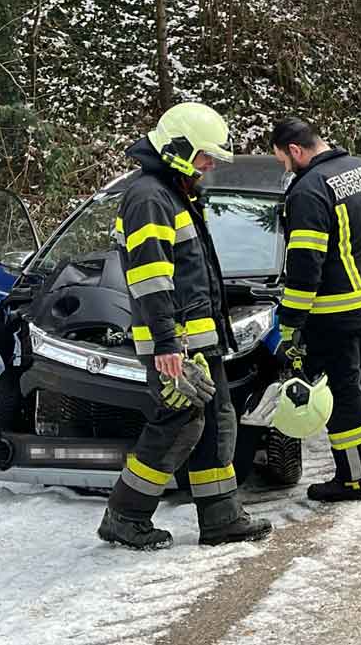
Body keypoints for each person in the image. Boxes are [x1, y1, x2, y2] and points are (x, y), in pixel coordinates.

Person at [98, 102, 272, 550]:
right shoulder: (149, 198)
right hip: (173, 343)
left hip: (195, 340)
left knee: (215, 423)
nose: (210, 165)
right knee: (178, 424)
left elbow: (190, 272)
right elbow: (151, 279)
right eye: (204, 156)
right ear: (177, 149)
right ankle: (124, 516)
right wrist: (166, 343)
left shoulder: (172, 192)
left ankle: (221, 518)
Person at [272, 117, 361, 501]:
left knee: (343, 394)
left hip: (332, 311)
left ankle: (356, 479)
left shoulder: (308, 191)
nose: (285, 168)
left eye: (282, 159)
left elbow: (306, 265)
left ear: (295, 150)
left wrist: (291, 321)